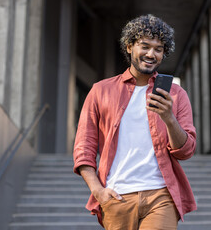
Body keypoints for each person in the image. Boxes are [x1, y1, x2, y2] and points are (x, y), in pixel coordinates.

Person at [73, 14, 197, 230]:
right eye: (145, 46)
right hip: (117, 196)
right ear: (130, 46)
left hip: (161, 196)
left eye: (158, 49)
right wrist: (98, 192)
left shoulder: (176, 95)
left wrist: (168, 118)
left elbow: (186, 151)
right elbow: (84, 148)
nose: (151, 54)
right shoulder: (100, 91)